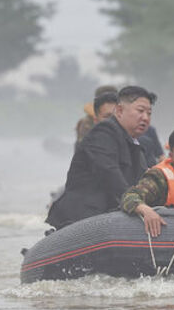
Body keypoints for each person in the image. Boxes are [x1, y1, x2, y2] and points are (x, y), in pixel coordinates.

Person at [47, 86, 156, 229]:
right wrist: (137, 204)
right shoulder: (103, 133)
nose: (145, 118)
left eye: (149, 113)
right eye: (140, 111)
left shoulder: (135, 143)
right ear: (119, 111)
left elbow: (144, 180)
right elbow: (109, 172)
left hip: (113, 216)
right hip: (82, 218)